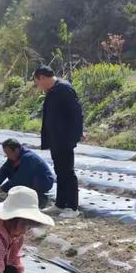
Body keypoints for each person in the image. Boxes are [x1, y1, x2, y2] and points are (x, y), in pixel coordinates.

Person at [34, 65, 83, 219]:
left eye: (37, 82)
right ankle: (60, 204)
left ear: (42, 77)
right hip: (56, 139)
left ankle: (72, 207)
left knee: (68, 172)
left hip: (65, 139)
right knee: (60, 171)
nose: (38, 86)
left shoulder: (64, 89)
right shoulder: (52, 91)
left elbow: (76, 114)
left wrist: (75, 136)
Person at [0, 138, 54, 209]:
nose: (7, 155)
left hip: (43, 182)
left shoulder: (28, 158)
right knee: (10, 171)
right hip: (29, 179)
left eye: (8, 153)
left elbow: (20, 178)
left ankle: (39, 197)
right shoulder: (14, 157)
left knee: (20, 183)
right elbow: (3, 171)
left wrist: (0, 189)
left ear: (16, 150)